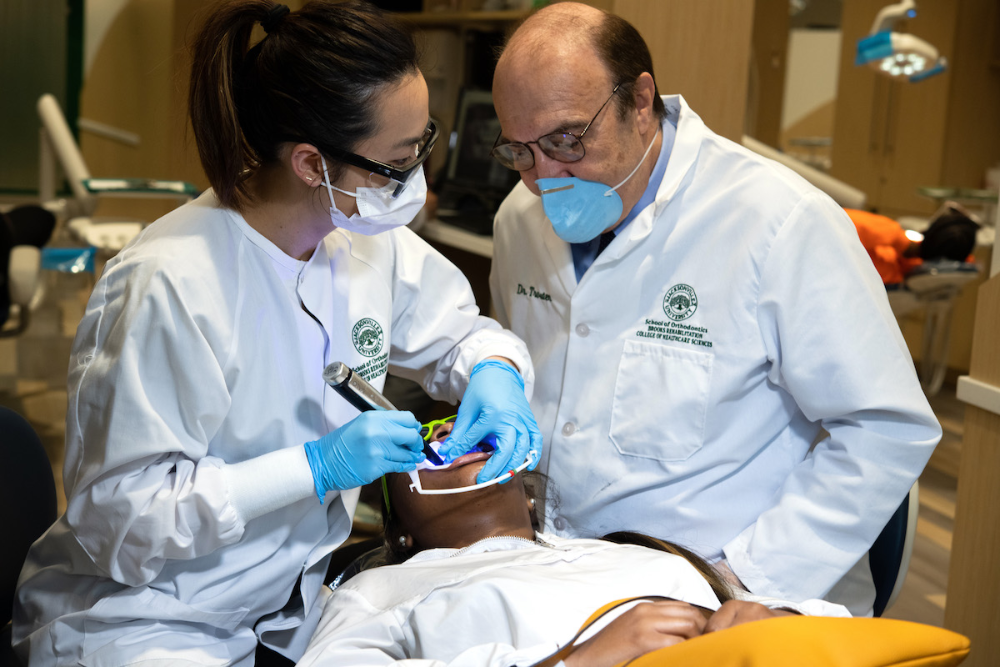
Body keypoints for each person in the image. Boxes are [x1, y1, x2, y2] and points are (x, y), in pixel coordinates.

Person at [12, 2, 541, 665]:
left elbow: (465, 336)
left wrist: (497, 374)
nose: (416, 184)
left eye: (423, 144)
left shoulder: (364, 241)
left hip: (286, 613)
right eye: (399, 161)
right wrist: (314, 468)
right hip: (149, 620)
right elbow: (122, 519)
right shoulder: (169, 284)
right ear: (312, 163)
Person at [484, 2, 941, 615]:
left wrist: (741, 578)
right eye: (520, 151)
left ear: (640, 100)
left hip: (726, 591)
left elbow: (885, 426)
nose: (546, 176)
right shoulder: (519, 220)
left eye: (568, 140)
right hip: (559, 574)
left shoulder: (778, 223)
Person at [297, 418, 850, 667]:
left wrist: (777, 618)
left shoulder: (634, 553)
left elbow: (838, 626)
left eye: (464, 429)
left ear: (530, 497)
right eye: (422, 444)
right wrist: (574, 663)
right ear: (400, 531)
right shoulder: (384, 586)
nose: (446, 435)